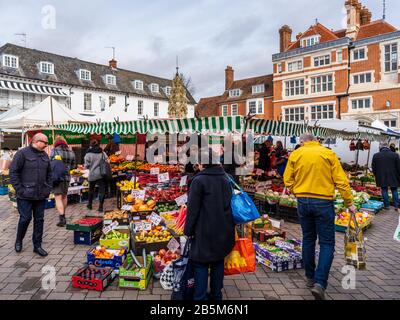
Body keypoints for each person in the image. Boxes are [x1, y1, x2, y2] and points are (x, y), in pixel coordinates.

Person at [283, 133, 355, 300]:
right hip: (323, 201)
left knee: (308, 238)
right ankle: (320, 283)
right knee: (327, 243)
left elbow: (287, 179)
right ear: (316, 140)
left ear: (302, 141)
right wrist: (348, 202)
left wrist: (295, 191)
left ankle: (310, 277)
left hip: (303, 201)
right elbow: (341, 180)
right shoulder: (328, 153)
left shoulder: (296, 154)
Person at [184, 149, 235, 301]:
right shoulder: (227, 178)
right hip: (225, 229)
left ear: (202, 163)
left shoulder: (198, 181)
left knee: (200, 264)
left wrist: (188, 230)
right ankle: (216, 296)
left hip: (204, 230)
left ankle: (200, 298)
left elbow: (192, 210)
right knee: (218, 261)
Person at [9, 133, 52, 257]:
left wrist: (47, 189)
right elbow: (13, 172)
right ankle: (19, 240)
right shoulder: (22, 154)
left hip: (40, 195)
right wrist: (19, 189)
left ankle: (37, 246)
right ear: (37, 141)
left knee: (39, 220)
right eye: (45, 142)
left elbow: (49, 174)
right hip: (25, 195)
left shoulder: (45, 155)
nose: (46, 145)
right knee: (25, 218)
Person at [50, 136, 76, 227]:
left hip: (57, 177)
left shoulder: (54, 151)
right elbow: (73, 167)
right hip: (67, 177)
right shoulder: (71, 152)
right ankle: (63, 214)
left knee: (58, 197)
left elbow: (50, 164)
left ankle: (62, 218)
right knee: (64, 196)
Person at [372, 142, 400, 212]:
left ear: (381, 147)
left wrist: (376, 175)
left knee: (384, 190)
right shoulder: (395, 155)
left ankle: (387, 205)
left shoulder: (376, 155)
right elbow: (399, 167)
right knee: (394, 190)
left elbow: (373, 167)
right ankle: (396, 206)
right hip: (393, 175)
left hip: (381, 175)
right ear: (388, 147)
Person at [84, 140, 108, 212]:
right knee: (102, 191)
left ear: (91, 145)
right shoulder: (102, 153)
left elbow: (87, 165)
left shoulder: (88, 154)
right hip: (101, 174)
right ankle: (100, 206)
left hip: (92, 174)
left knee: (91, 190)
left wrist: (91, 166)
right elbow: (107, 161)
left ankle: (90, 204)